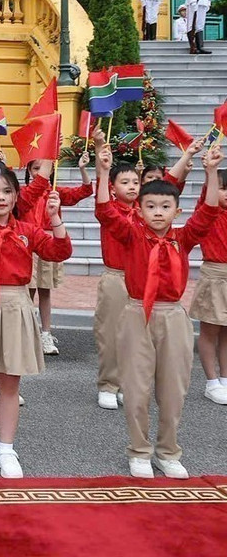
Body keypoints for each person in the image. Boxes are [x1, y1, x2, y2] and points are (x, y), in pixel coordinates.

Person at [95, 142, 223, 479]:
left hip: (173, 316)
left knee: (173, 389)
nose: (157, 212)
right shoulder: (131, 235)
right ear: (138, 209)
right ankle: (139, 450)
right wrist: (103, 170)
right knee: (136, 388)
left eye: (165, 206)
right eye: (149, 205)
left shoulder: (183, 238)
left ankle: (169, 451)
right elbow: (105, 212)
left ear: (176, 211)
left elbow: (209, 213)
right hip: (137, 312)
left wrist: (210, 171)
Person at [0, 165, 71, 478]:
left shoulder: (28, 230)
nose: (1, 197)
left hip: (18, 305)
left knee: (10, 385)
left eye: (7, 191)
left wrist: (56, 217)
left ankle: (6, 448)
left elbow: (59, 251)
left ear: (17, 194)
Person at [20, 155, 93, 356]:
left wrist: (83, 169)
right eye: (34, 168)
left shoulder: (55, 193)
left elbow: (85, 191)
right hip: (28, 244)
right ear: (28, 171)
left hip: (50, 243)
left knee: (45, 291)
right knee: (27, 291)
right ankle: (25, 332)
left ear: (52, 170)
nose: (38, 172)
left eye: (42, 168)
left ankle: (45, 334)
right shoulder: (24, 194)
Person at [92, 136, 137, 410]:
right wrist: (103, 164)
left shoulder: (145, 212)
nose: (131, 187)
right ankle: (108, 384)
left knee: (136, 336)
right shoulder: (110, 211)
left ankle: (126, 383)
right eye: (125, 182)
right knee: (110, 334)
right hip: (115, 278)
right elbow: (102, 205)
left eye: (135, 182)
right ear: (113, 187)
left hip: (140, 279)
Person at [188, 167, 227, 406]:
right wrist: (211, 173)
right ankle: (211, 382)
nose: (226, 194)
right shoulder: (209, 212)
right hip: (214, 275)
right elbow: (207, 196)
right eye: (223, 188)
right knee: (210, 331)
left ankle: (225, 377)